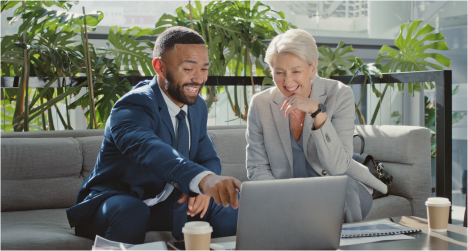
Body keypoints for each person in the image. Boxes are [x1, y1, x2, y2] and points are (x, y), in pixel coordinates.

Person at [66, 26, 241, 244]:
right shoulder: (133, 105)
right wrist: (203, 180)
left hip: (165, 203)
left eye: (204, 69)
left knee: (226, 203)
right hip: (117, 201)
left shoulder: (197, 108)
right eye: (188, 69)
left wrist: (205, 189)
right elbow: (150, 149)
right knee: (131, 211)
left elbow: (208, 158)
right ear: (159, 67)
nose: (199, 78)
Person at [245, 29, 387, 223]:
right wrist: (284, 197)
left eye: (296, 71)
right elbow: (257, 168)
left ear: (312, 68)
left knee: (341, 192)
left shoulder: (339, 94)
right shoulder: (261, 104)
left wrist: (318, 114)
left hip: (341, 184)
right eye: (279, 73)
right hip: (287, 190)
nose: (287, 81)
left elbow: (338, 167)